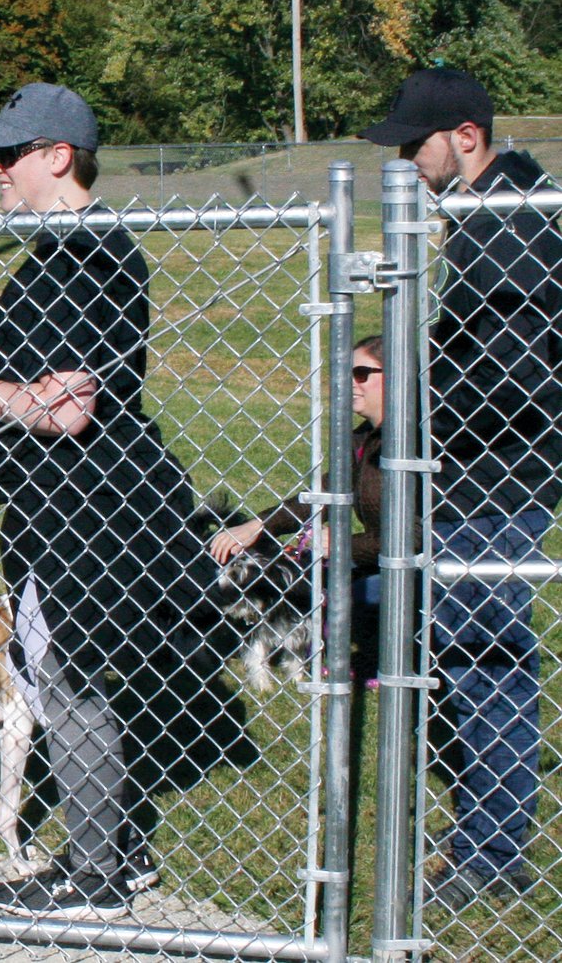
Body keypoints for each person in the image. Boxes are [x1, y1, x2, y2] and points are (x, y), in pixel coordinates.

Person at [0, 83, 208, 920]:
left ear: (57, 156)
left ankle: (97, 875)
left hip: (87, 512)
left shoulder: (87, 255)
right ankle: (111, 853)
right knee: (61, 676)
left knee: (71, 682)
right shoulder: (61, 251)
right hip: (56, 510)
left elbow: (67, 409)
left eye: (9, 153)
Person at [360, 67, 562, 909]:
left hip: (498, 479)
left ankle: (492, 848)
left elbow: (514, 370)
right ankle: (484, 823)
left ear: (466, 137)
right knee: (468, 655)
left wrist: (413, 392)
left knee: (486, 661)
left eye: (415, 145)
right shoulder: (489, 213)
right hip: (480, 473)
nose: (404, 162)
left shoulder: (508, 220)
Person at [210, 334, 387, 634]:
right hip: (377, 560)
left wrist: (344, 547)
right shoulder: (363, 439)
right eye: (346, 373)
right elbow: (328, 492)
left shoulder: (416, 442)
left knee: (337, 600)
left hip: (421, 570)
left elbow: (416, 538)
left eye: (361, 374)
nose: (350, 383)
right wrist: (261, 525)